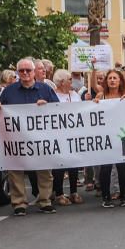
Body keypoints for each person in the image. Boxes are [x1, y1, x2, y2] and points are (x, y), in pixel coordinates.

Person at [0, 58, 60, 215]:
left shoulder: (45, 89)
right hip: (17, 139)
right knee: (15, 171)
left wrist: (47, 106)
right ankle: (19, 203)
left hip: (41, 138)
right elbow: (1, 110)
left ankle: (45, 201)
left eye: (28, 70)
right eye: (21, 71)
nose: (24, 73)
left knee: (44, 170)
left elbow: (58, 110)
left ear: (34, 72)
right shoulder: (9, 91)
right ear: (17, 73)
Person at [93, 70, 125, 208]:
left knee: (122, 167)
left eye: (115, 78)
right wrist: (94, 103)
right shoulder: (101, 95)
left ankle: (123, 195)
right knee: (106, 168)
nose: (112, 80)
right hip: (106, 136)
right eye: (109, 78)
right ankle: (106, 196)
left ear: (120, 81)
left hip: (122, 135)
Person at [51, 69, 84, 206]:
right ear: (61, 82)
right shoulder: (53, 96)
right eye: (70, 79)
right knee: (59, 164)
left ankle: (73, 192)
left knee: (73, 163)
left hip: (73, 134)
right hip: (58, 135)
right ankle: (58, 193)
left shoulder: (75, 95)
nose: (72, 81)